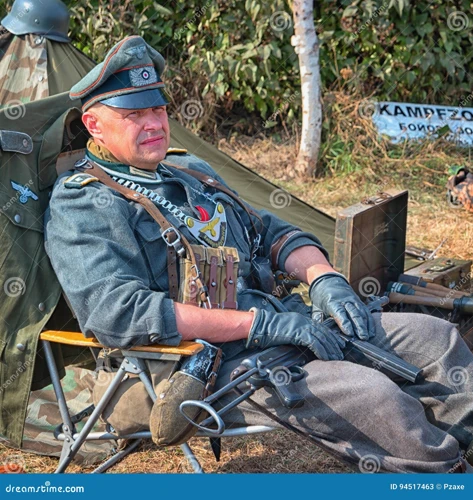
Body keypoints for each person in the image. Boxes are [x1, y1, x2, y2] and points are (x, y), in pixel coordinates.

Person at [44, 35, 473, 473]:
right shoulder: (84, 204)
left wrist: (325, 279)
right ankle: (443, 476)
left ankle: (464, 443)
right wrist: (259, 325)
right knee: (374, 394)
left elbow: (272, 231)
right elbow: (117, 312)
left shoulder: (192, 172)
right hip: (206, 364)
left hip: (295, 326)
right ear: (94, 124)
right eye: (133, 114)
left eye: (158, 109)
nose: (153, 123)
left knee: (437, 339)